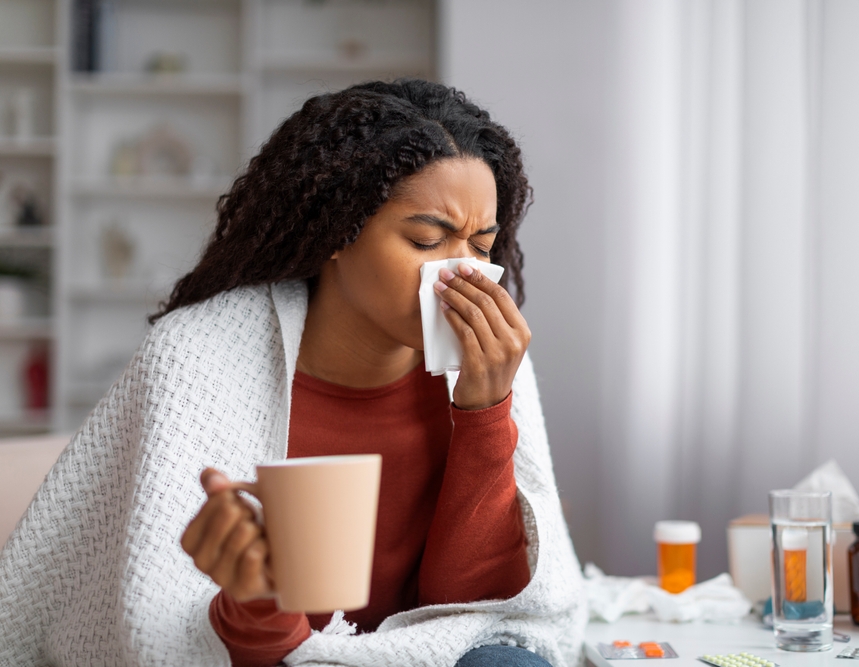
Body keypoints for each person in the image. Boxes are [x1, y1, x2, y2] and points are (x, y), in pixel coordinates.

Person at [0, 79, 585, 667]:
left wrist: (484, 409)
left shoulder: (490, 358)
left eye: (481, 246)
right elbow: (195, 636)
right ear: (337, 230)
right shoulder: (199, 359)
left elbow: (469, 615)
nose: (462, 272)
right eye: (427, 239)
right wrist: (254, 593)